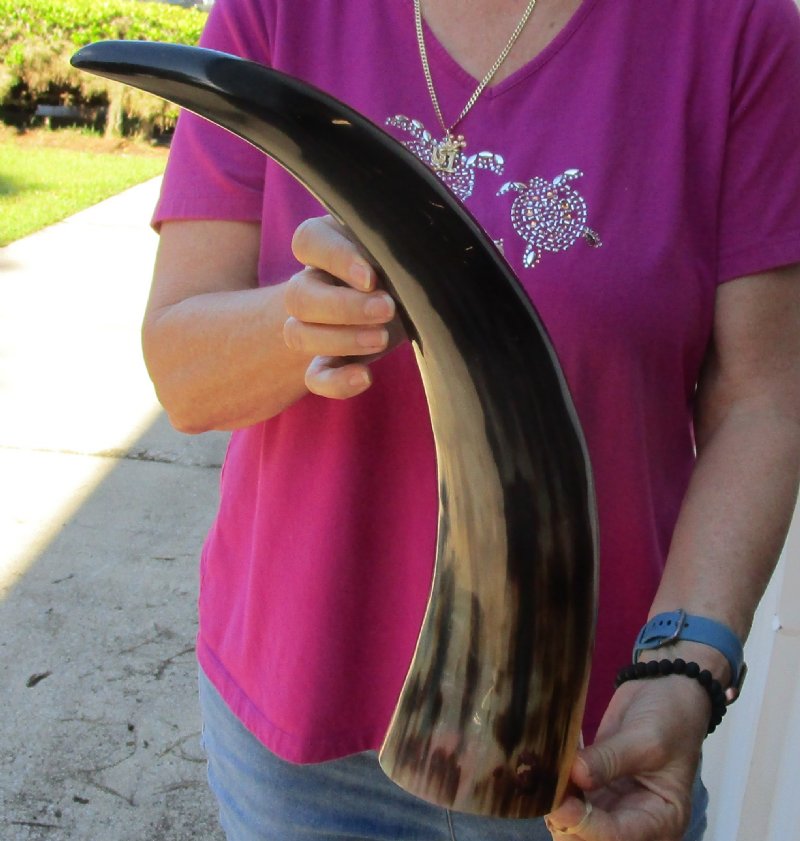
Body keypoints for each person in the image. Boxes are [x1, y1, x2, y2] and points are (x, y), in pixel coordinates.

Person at [144, 0, 800, 838]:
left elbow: (762, 402)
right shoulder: (276, 10)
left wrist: (686, 668)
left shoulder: (736, 28)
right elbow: (184, 376)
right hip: (301, 739)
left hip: (587, 749)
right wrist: (296, 324)